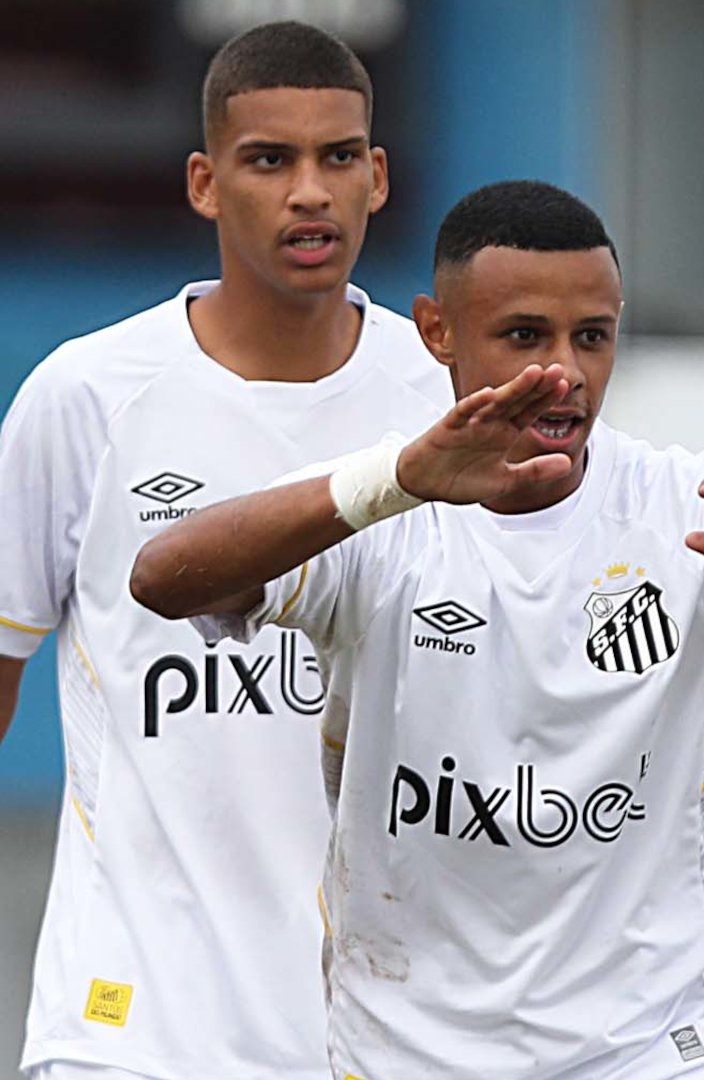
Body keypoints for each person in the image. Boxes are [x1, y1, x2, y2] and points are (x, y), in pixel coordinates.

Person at [129, 180, 704, 1080]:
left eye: (592, 336)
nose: (566, 371)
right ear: (438, 330)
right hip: (408, 1051)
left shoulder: (690, 504)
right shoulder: (382, 513)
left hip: (648, 1051)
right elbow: (162, 578)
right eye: (525, 336)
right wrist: (396, 480)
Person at [0, 22, 445, 1080]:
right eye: (268, 160)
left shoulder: (442, 401)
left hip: (384, 1031)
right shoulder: (87, 395)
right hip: (133, 1024)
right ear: (204, 183)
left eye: (338, 157)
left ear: (378, 178)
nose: (309, 192)